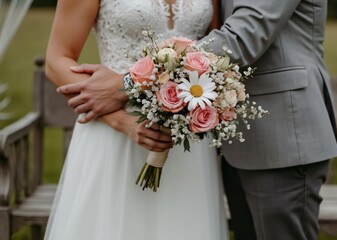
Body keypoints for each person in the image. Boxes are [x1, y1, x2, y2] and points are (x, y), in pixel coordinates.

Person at [58, 0, 337, 239]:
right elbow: (57, 56)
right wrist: (118, 118)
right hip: (204, 137)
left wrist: (130, 83)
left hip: (274, 135)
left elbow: (243, 35)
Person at [44, 0, 228, 240]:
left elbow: (214, 50)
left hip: (187, 141)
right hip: (114, 136)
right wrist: (120, 121)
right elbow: (56, 60)